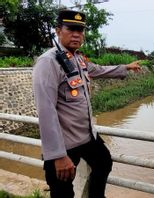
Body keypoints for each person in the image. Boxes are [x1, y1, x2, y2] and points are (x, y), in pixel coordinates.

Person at [32, 10, 141, 198]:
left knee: (104, 162)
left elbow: (98, 70)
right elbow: (46, 112)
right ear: (58, 30)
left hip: (86, 136)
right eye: (71, 29)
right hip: (64, 144)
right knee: (62, 191)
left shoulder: (76, 58)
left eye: (80, 30)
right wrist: (58, 155)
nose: (76, 34)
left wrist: (126, 67)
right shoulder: (48, 62)